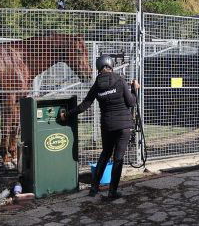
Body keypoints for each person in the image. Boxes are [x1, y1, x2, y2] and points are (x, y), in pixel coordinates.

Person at [60, 54, 140, 199]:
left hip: (107, 126)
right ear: (111, 66)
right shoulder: (120, 80)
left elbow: (84, 106)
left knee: (105, 154)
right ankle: (112, 192)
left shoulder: (97, 85)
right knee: (118, 158)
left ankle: (94, 188)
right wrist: (135, 89)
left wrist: (68, 114)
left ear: (98, 68)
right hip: (123, 127)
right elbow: (131, 103)